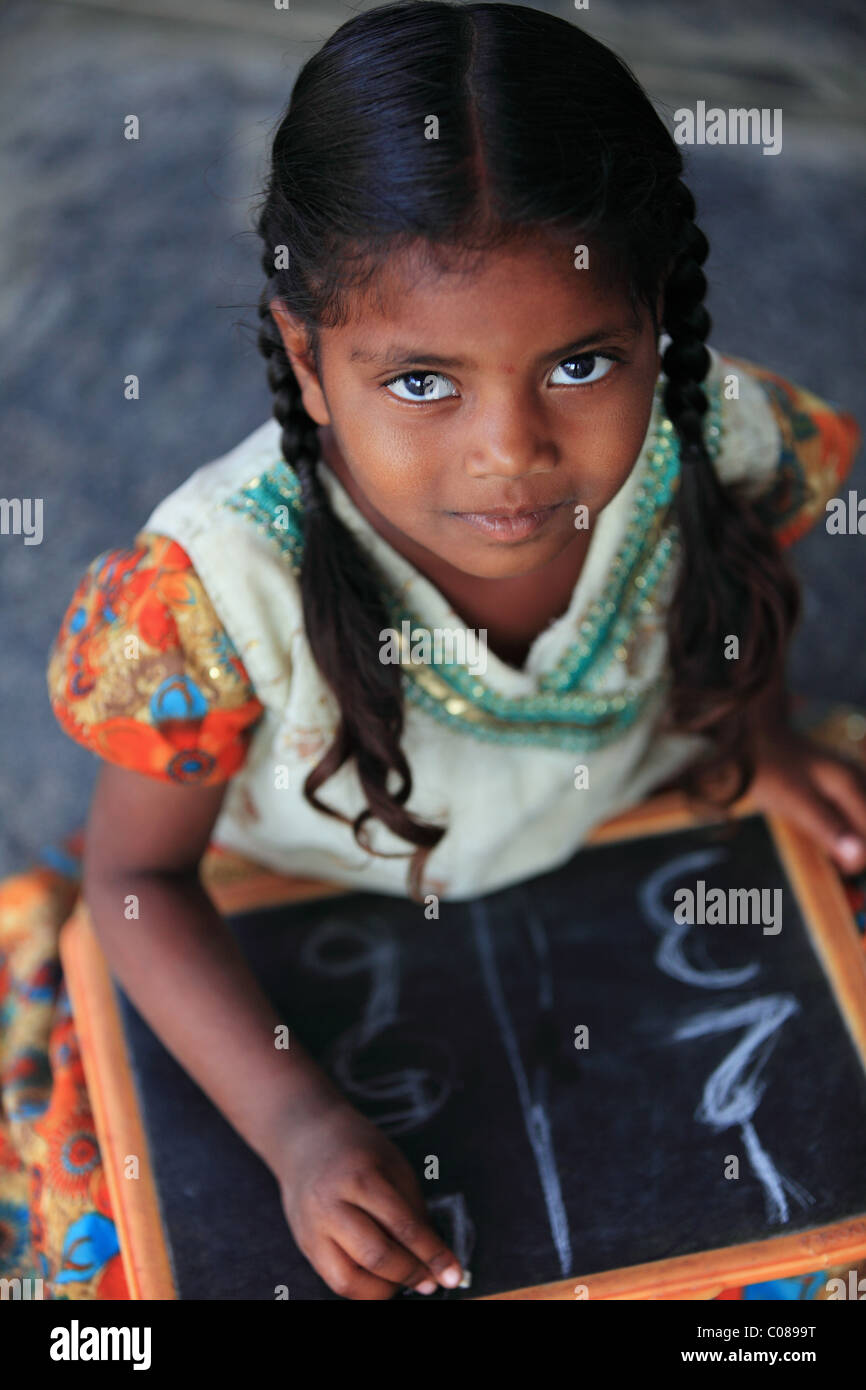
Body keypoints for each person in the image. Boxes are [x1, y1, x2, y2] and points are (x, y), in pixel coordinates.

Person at [5, 1, 865, 1301]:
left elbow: (737, 595)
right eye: (422, 382)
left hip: (630, 823)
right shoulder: (212, 592)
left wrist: (760, 741)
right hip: (297, 906)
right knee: (114, 1261)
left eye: (582, 362)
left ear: (658, 329)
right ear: (305, 358)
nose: (508, 452)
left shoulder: (710, 439)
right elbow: (135, 881)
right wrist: (297, 1124)